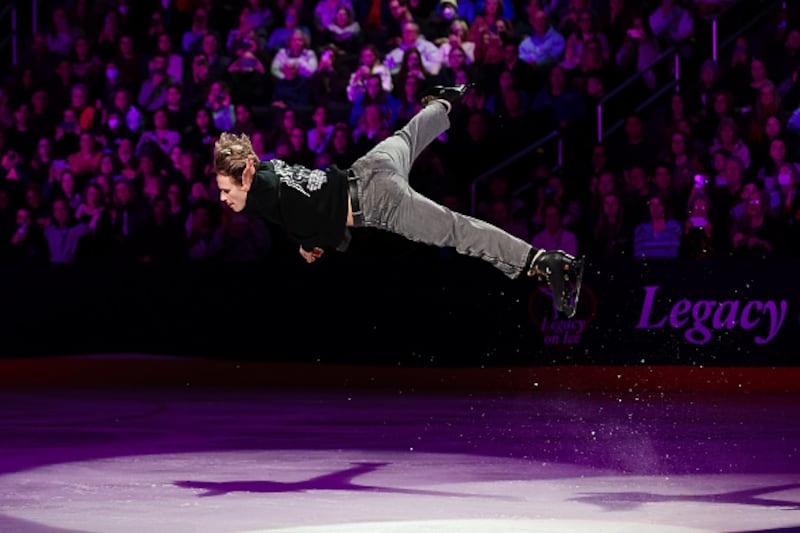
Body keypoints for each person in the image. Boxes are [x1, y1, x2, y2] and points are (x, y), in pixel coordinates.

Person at [212, 85, 584, 316]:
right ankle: (445, 101)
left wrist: (310, 243)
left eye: (226, 189)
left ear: (246, 174)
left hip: (379, 203)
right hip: (370, 166)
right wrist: (308, 241)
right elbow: (300, 207)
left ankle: (541, 260)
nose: (222, 198)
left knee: (455, 230)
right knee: (406, 139)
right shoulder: (270, 167)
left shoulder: (260, 189)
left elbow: (298, 213)